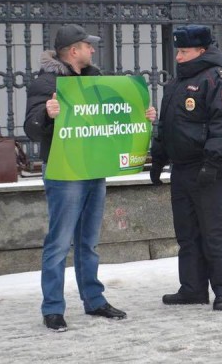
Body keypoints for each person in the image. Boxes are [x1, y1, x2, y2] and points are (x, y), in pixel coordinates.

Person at [24, 24, 156, 332]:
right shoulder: (46, 83)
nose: (92, 50)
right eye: (88, 45)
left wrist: (144, 115)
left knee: (89, 241)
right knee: (59, 242)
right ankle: (53, 308)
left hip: (93, 167)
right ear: (73, 50)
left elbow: (114, 116)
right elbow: (31, 128)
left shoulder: (94, 79)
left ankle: (94, 300)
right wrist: (47, 113)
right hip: (64, 171)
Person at [149, 25, 222, 311]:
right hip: (182, 168)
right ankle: (192, 288)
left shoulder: (219, 80)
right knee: (187, 232)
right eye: (178, 51)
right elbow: (167, 126)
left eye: (184, 51)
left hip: (209, 167)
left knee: (214, 231)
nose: (178, 57)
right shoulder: (176, 84)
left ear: (201, 51)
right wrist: (158, 159)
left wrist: (213, 164)